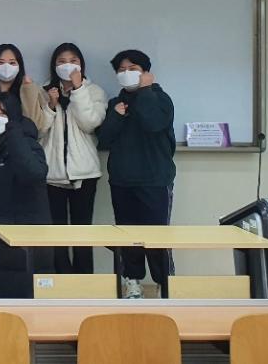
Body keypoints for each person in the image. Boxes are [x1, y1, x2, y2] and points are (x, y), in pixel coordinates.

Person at [97, 49, 175, 299]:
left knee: (157, 237)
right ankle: (133, 282)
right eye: (121, 70)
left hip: (155, 180)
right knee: (128, 236)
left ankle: (164, 284)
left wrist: (145, 91)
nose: (126, 73)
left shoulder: (160, 99)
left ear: (145, 73)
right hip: (122, 180)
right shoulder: (116, 103)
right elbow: (104, 139)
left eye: (132, 69)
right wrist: (116, 116)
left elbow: (154, 123)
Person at [32, 43, 107, 275]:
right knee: (56, 234)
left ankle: (84, 281)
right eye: (62, 61)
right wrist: (50, 106)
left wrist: (78, 89)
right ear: (54, 65)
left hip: (84, 173)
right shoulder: (43, 91)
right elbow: (37, 131)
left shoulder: (94, 91)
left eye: (73, 61)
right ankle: (62, 280)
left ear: (81, 65)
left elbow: (90, 123)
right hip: (51, 175)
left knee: (83, 232)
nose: (68, 65)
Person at [0, 92, 51, 298]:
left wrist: (14, 133)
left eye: (2, 113)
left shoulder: (28, 144)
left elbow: (35, 173)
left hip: (21, 242)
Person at [0, 43, 49, 134]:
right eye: (0, 62)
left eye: (12, 63)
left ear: (19, 66)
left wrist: (28, 90)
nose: (6, 67)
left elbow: (36, 127)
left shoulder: (30, 90)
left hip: (20, 142)